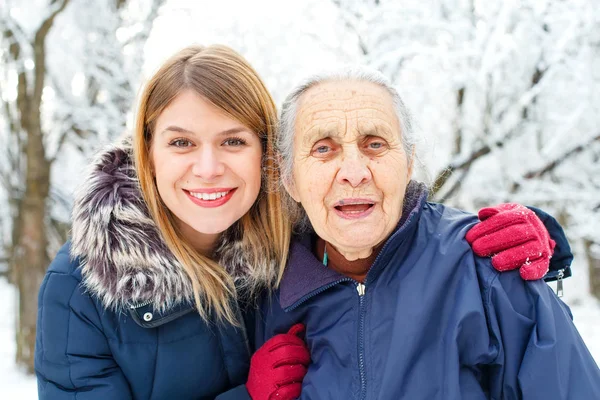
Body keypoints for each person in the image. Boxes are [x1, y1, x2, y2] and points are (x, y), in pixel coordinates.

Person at [34, 45, 571, 400]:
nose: (207, 167)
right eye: (179, 142)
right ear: (146, 154)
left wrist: (543, 235)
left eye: (233, 141)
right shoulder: (83, 288)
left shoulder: (291, 246)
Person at [256, 66, 600, 399]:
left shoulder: (487, 270)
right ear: (289, 178)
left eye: (374, 144)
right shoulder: (265, 297)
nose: (354, 171)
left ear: (408, 164)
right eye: (323, 148)